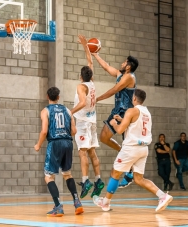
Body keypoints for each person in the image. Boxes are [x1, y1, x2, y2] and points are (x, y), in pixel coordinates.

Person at [92, 89, 173, 212]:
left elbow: (119, 130)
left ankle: (105, 203)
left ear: (134, 98)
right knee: (139, 179)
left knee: (115, 173)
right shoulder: (147, 112)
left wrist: (114, 123)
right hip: (143, 149)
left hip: (131, 149)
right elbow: (134, 126)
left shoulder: (131, 111)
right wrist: (121, 120)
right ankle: (163, 196)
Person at [34, 87, 83, 217]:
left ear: (47, 96)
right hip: (68, 143)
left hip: (55, 143)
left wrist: (38, 145)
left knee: (48, 176)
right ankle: (77, 202)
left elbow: (44, 131)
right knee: (67, 174)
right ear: (58, 97)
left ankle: (58, 206)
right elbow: (74, 131)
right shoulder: (67, 110)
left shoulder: (45, 111)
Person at [92, 52, 139, 188]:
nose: (122, 63)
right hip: (117, 111)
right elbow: (106, 67)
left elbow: (114, 90)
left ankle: (129, 173)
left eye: (124, 62)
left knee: (127, 146)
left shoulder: (129, 77)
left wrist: (98, 99)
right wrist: (96, 55)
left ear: (129, 67)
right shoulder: (121, 74)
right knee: (104, 137)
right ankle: (128, 169)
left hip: (124, 113)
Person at [71, 34, 104, 199]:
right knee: (92, 152)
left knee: (82, 153)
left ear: (80, 77)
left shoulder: (81, 86)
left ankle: (85, 181)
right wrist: (86, 47)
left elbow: (83, 102)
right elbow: (90, 63)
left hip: (83, 122)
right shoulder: (92, 83)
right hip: (92, 121)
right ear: (90, 76)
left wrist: (70, 111)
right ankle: (98, 179)